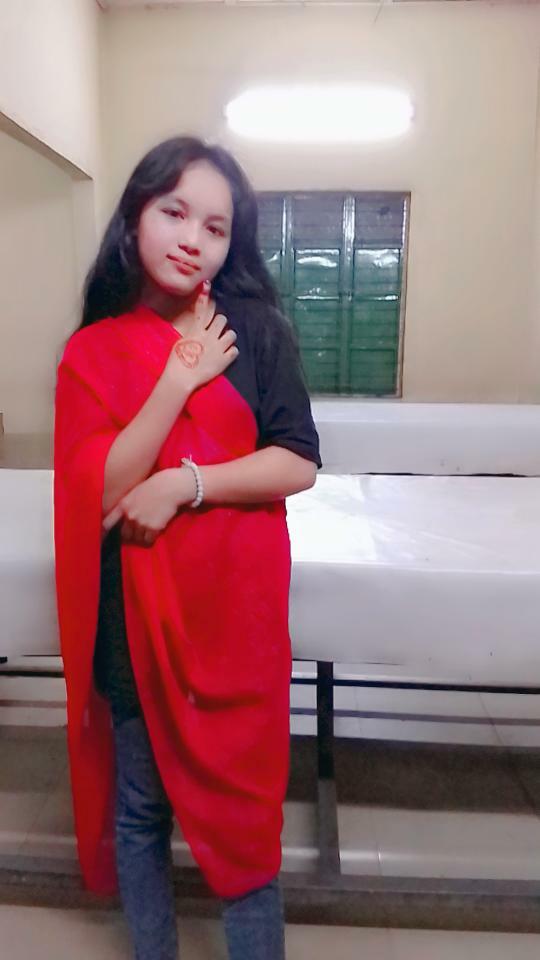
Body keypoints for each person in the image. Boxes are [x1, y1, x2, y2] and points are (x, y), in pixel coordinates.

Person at [53, 135, 321, 960]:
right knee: (141, 810)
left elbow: (296, 462)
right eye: (174, 212)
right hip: (134, 623)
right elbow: (102, 489)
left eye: (215, 226)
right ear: (136, 214)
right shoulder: (94, 350)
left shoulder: (258, 331)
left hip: (233, 618)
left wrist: (185, 484)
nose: (191, 238)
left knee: (245, 825)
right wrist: (178, 377)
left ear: (232, 243)